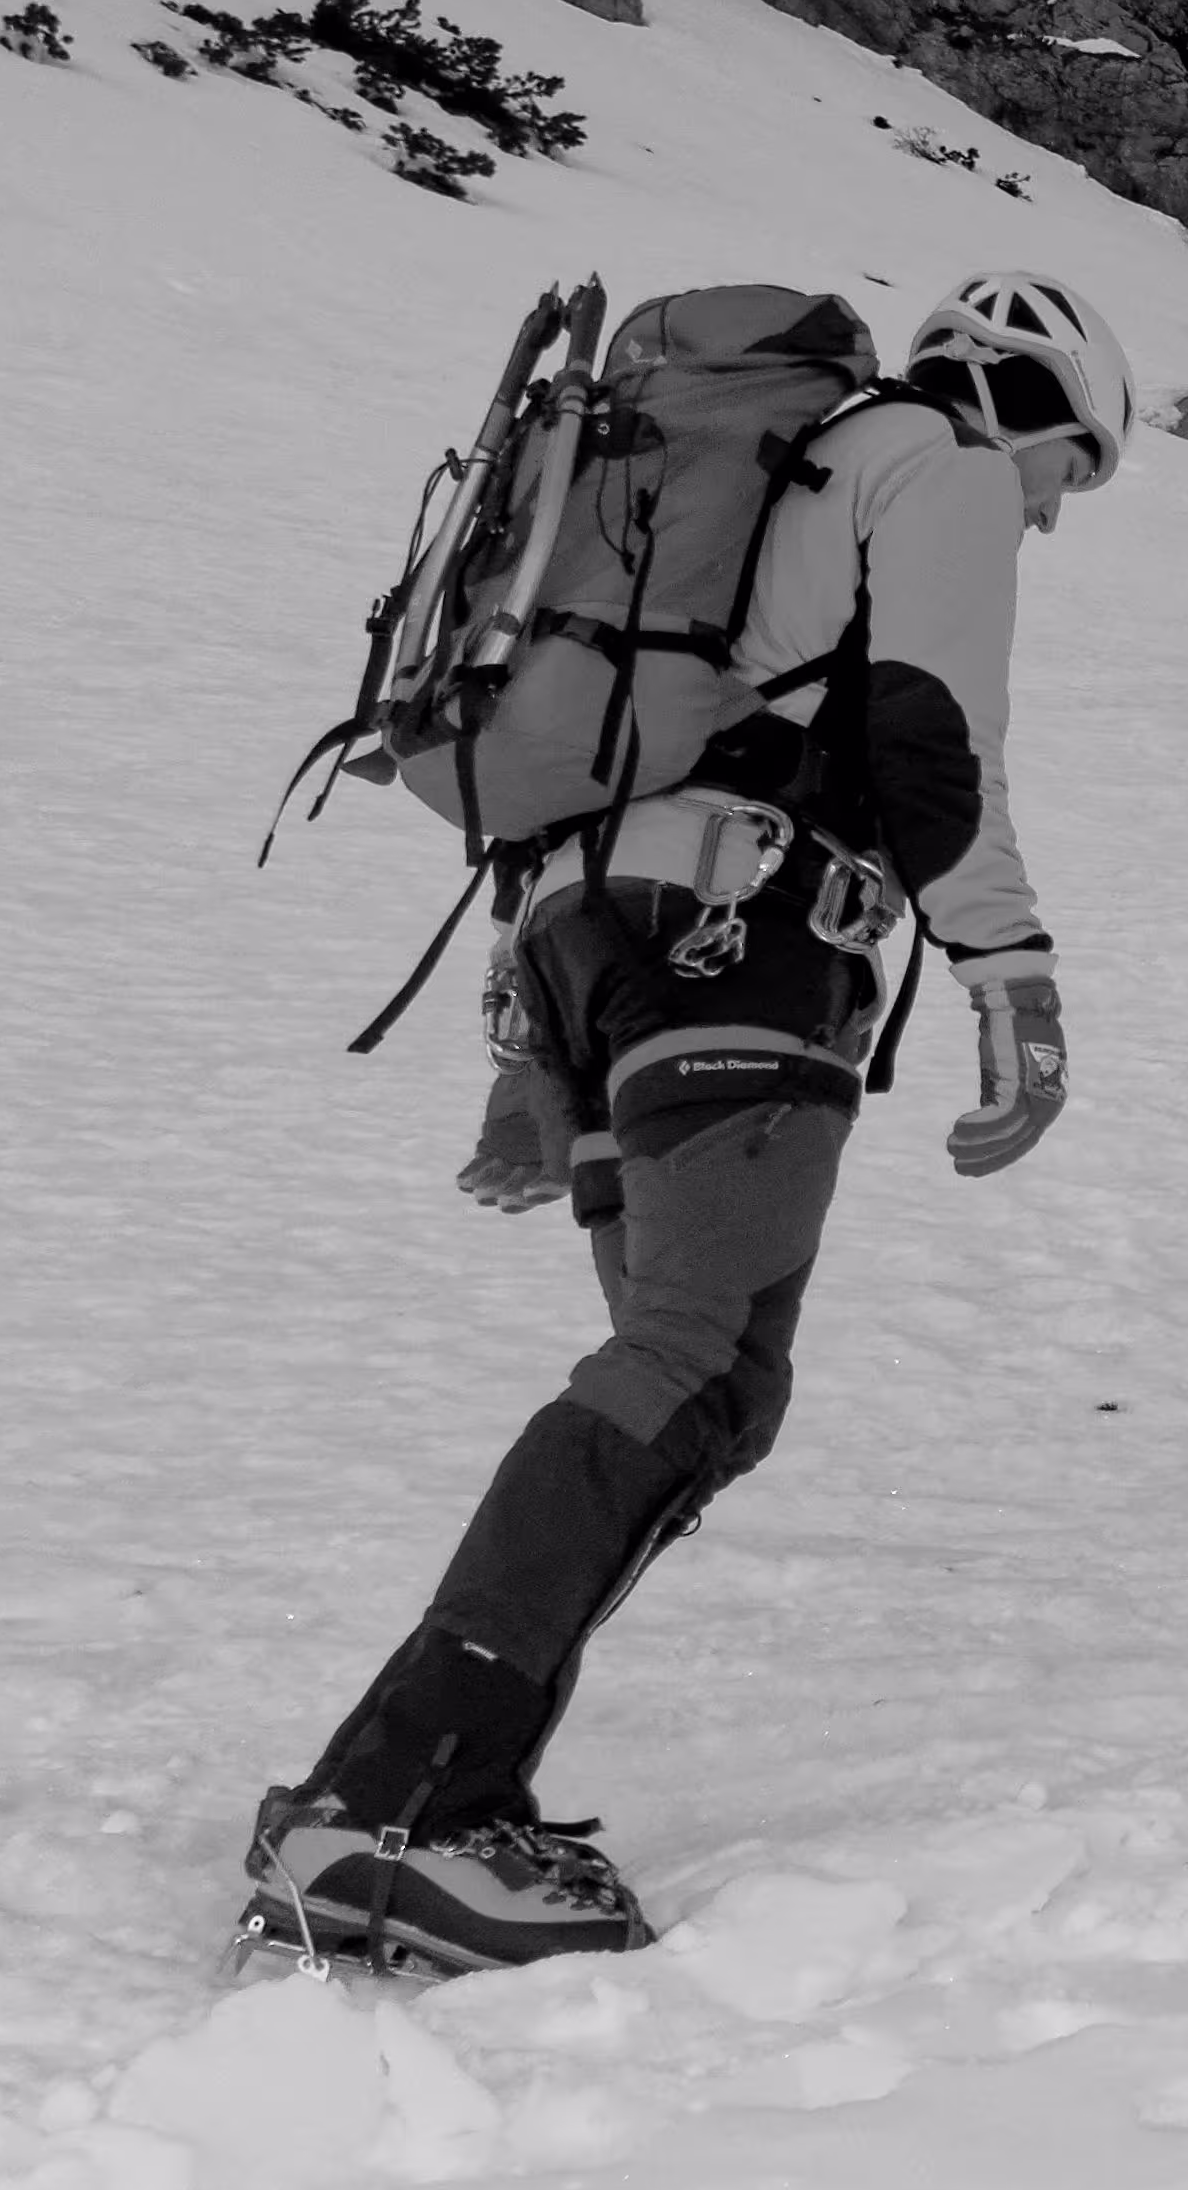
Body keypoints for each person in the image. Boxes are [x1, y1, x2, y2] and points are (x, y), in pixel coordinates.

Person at [242, 273, 1136, 1974]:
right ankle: (392, 1808)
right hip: (748, 934)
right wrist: (1012, 975)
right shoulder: (930, 461)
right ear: (1027, 398)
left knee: (703, 1389)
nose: (1048, 511)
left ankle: (438, 1796)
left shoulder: (749, 492)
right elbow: (933, 741)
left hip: (590, 946)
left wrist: (530, 1052)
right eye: (1070, 473)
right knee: (690, 1358)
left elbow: (582, 797)